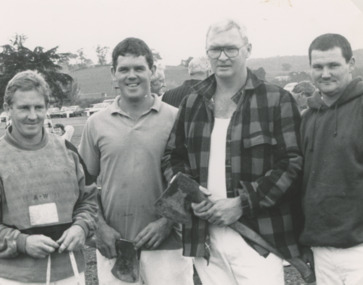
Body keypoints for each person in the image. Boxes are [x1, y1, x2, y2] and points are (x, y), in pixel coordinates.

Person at [162, 19, 304, 285]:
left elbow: (292, 163)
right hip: (205, 238)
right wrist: (189, 192)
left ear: (247, 49)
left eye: (231, 49)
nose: (222, 57)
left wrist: (242, 203)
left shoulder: (276, 100)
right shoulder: (192, 102)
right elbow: (172, 156)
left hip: (258, 240)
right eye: (215, 50)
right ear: (207, 53)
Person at [79, 37, 193, 285]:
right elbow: (83, 185)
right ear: (113, 74)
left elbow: (190, 179)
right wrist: (100, 228)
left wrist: (167, 221)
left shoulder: (176, 119)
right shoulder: (96, 124)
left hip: (168, 246)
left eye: (139, 68)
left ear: (152, 71)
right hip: (115, 246)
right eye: (124, 69)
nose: (132, 76)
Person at [0, 70, 97, 284]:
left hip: (69, 273)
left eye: (39, 107)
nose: (33, 116)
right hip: (15, 277)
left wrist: (81, 226)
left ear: (47, 108)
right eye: (24, 108)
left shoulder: (67, 150)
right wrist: (21, 242)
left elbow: (89, 201)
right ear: (8, 109)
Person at [300, 33, 363, 285]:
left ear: (351, 64)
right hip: (321, 249)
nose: (325, 74)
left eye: (333, 65)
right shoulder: (306, 118)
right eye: (318, 67)